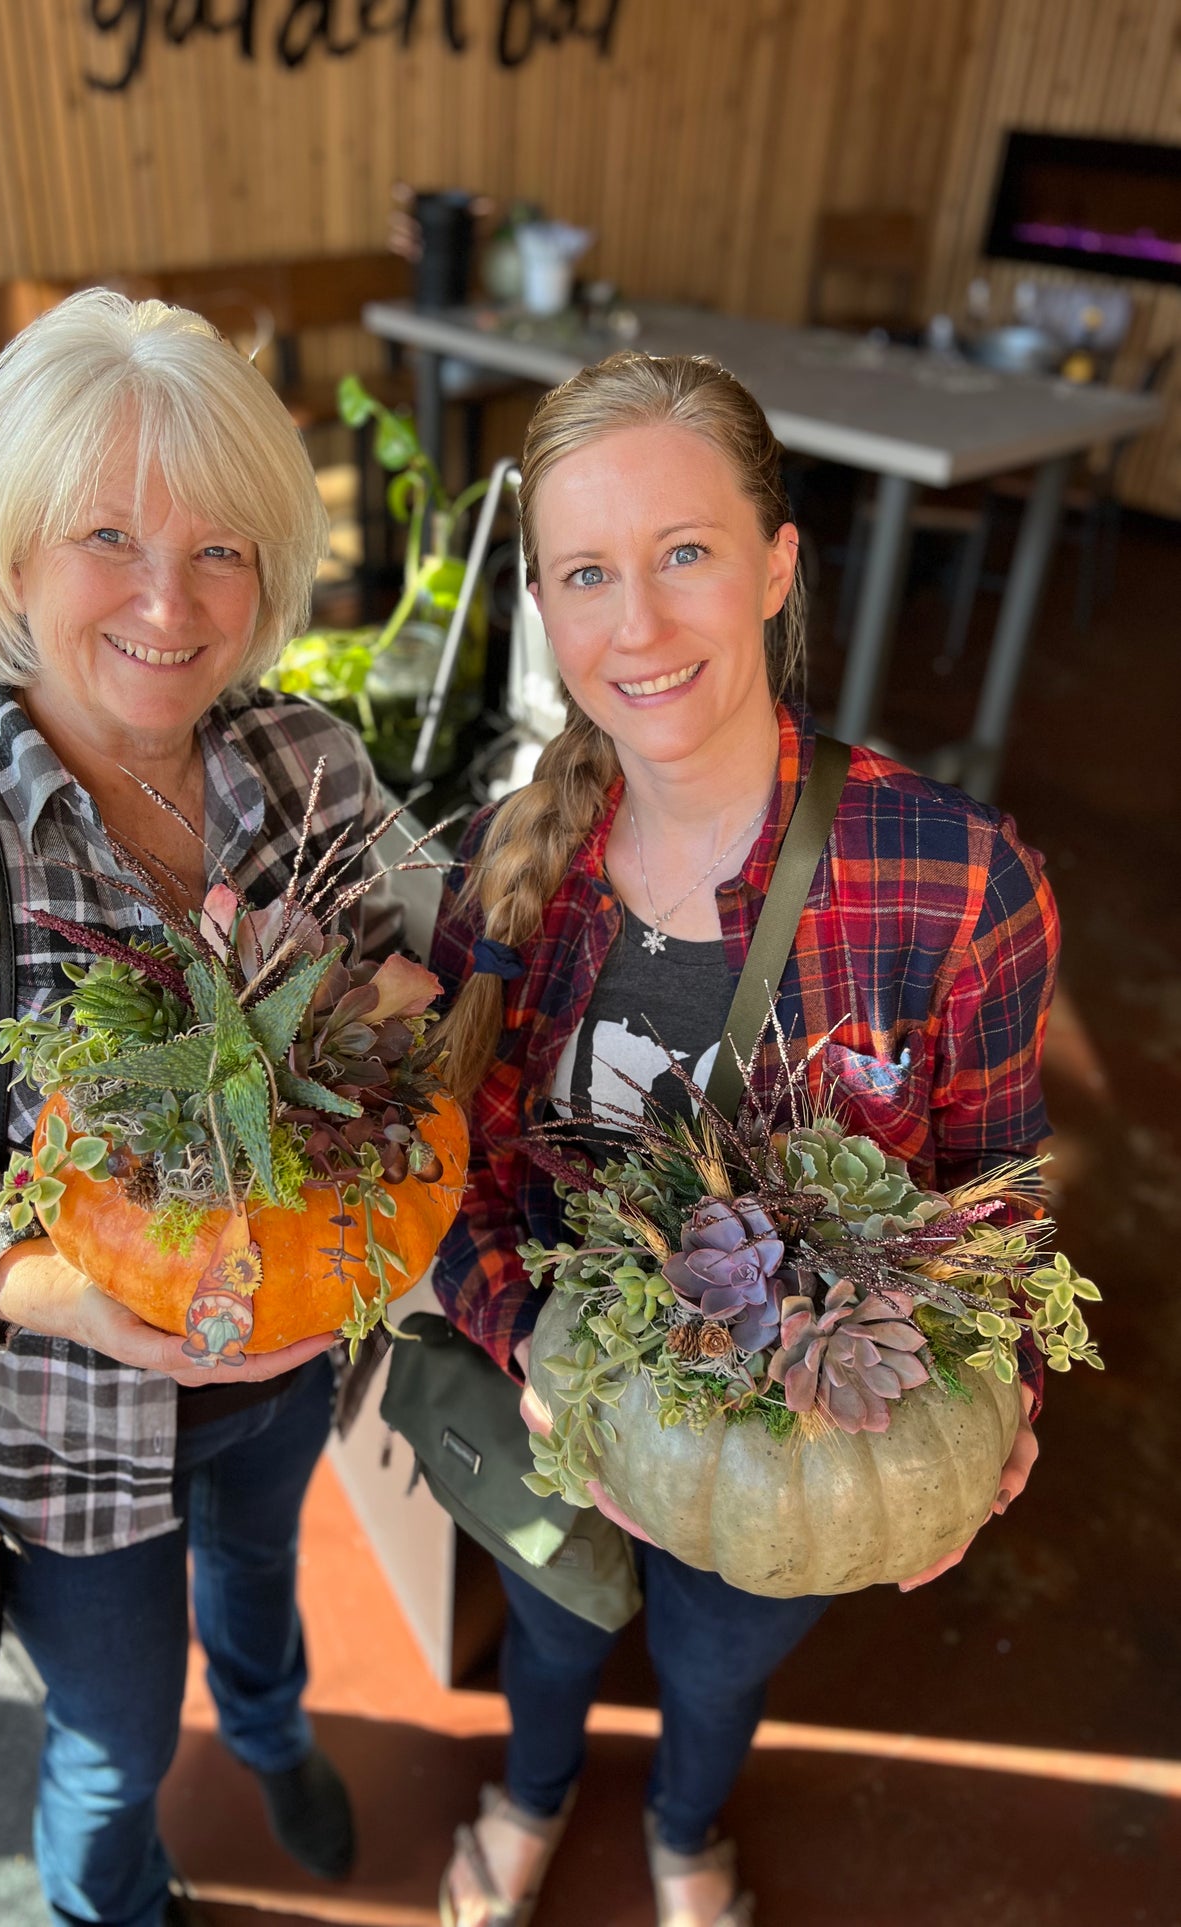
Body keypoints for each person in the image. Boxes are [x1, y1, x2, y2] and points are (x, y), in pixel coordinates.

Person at [0, 290, 400, 1927]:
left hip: (277, 1362)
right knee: (116, 1745)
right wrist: (95, 1299)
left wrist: (414, 993)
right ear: (5, 557)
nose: (165, 599)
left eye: (218, 549)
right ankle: (111, 1903)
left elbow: (413, 961)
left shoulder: (308, 765)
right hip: (59, 1415)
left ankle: (271, 1737)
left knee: (259, 1587)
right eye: (106, 536)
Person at [426, 351, 1057, 1927]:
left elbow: (997, 1198)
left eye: (684, 554)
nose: (634, 627)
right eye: (587, 575)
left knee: (716, 1658)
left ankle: (685, 1824)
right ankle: (536, 1787)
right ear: (544, 608)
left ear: (778, 563)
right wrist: (549, 1373)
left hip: (794, 1451)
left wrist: (995, 1410)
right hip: (554, 1403)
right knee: (555, 1629)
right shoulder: (509, 866)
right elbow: (448, 1175)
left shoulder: (954, 883)